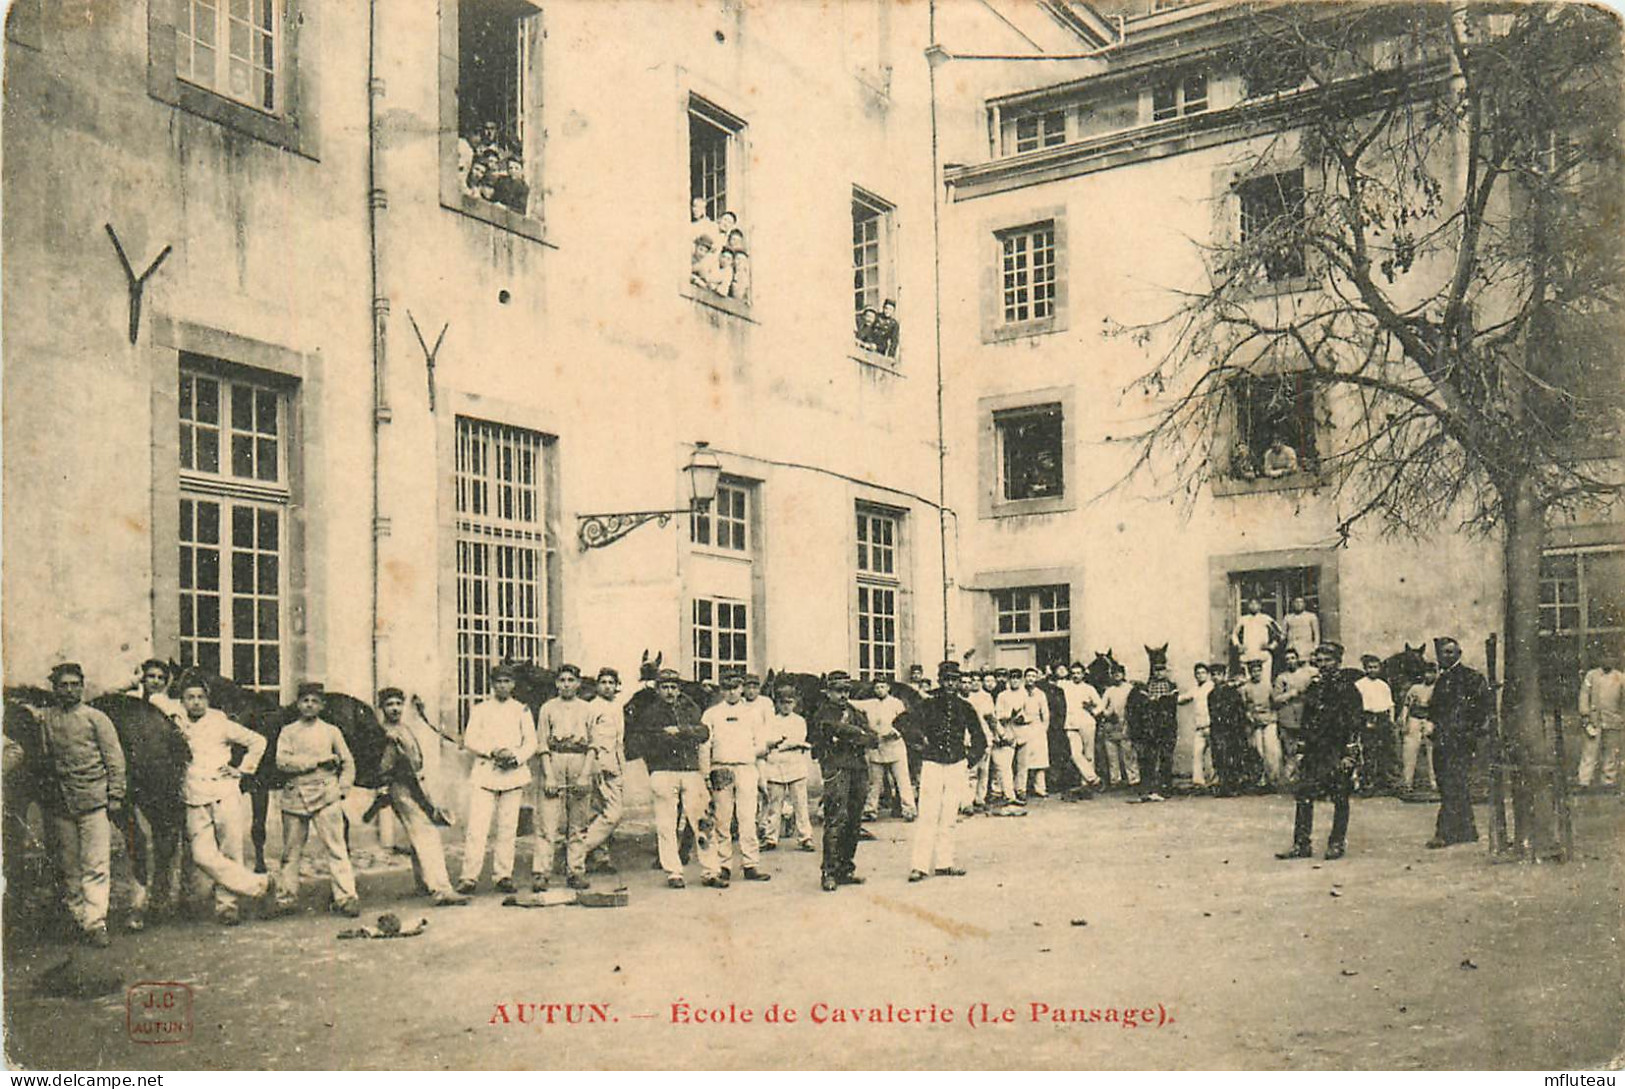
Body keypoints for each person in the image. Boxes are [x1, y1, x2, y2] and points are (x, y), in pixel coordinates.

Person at [172, 671, 273, 925]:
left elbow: (257, 741)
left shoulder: (221, 723)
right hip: (194, 795)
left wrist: (242, 769)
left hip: (225, 792)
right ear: (182, 701)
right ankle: (258, 885)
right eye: (190, 697)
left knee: (230, 850)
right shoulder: (176, 722)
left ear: (208, 700)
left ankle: (227, 907)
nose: (196, 702)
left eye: (201, 697)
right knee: (201, 855)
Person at [37, 663, 126, 947]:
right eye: (64, 685)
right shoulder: (47, 719)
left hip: (93, 800)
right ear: (55, 688)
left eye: (75, 684)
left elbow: (115, 759)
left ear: (82, 686)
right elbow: (45, 756)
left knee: (96, 863)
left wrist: (115, 795)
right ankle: (79, 918)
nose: (70, 690)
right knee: (69, 865)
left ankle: (96, 921)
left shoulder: (96, 719)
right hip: (62, 804)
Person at [374, 687, 468, 907]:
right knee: (426, 832)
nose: (395, 708)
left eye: (398, 704)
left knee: (420, 832)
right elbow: (384, 767)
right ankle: (441, 888)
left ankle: (425, 883)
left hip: (415, 783)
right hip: (402, 786)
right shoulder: (385, 734)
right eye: (390, 704)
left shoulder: (403, 728)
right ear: (381, 708)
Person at [628, 669, 721, 888]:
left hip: (690, 771)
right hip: (663, 771)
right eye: (665, 687)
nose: (670, 692)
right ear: (658, 689)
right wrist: (676, 737)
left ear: (679, 689)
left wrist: (679, 731)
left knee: (703, 822)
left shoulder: (690, 708)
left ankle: (710, 870)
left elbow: (703, 733)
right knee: (666, 823)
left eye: (673, 687)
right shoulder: (650, 713)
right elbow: (647, 741)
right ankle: (673, 871)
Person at [273, 682, 359, 916]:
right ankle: (285, 898)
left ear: (322, 705)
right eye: (305, 700)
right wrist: (317, 762)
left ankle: (346, 897)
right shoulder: (288, 731)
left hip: (326, 794)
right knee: (291, 851)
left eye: (314, 701)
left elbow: (348, 762)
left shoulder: (331, 731)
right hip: (295, 796)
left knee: (336, 848)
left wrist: (342, 787)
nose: (309, 705)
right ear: (298, 704)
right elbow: (282, 762)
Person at [456, 663, 537, 895]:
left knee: (507, 827)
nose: (503, 686)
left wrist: (516, 756)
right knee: (477, 828)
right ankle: (469, 877)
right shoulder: (481, 709)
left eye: (507, 681)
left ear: (513, 684)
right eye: (498, 682)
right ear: (492, 684)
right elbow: (470, 739)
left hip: (512, 774)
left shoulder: (522, 710)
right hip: (486, 772)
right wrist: (493, 751)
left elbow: (531, 742)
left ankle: (503, 875)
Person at [1277, 643, 1363, 861]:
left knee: (1339, 797)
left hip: (1337, 749)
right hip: (1315, 750)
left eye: (1329, 661)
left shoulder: (1348, 688)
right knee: (1304, 794)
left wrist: (1349, 754)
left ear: (1338, 662)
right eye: (1321, 660)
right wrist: (1302, 749)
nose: (1324, 665)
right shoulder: (1314, 688)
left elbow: (1355, 723)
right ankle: (1301, 844)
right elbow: (1307, 720)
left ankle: (1336, 844)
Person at [902, 662, 987, 882]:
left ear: (959, 681)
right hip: (932, 764)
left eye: (954, 679)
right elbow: (902, 723)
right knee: (928, 814)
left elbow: (980, 738)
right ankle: (919, 866)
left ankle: (945, 863)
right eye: (947, 679)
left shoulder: (965, 706)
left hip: (956, 765)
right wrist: (920, 743)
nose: (951, 683)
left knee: (949, 815)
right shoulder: (927, 703)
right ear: (940, 680)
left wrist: (968, 761)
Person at [809, 671, 878, 891]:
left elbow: (873, 738)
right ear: (828, 691)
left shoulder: (855, 712)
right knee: (836, 819)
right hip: (836, 769)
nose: (843, 695)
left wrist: (851, 734)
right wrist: (856, 734)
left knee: (854, 821)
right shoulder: (822, 713)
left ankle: (846, 869)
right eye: (838, 690)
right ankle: (829, 871)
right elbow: (831, 729)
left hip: (858, 769)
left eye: (846, 690)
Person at [703, 673, 772, 883]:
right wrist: (706, 773)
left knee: (747, 817)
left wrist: (747, 756)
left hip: (746, 769)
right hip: (721, 769)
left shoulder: (752, 713)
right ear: (721, 690)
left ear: (741, 688)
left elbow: (761, 744)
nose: (731, 692)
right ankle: (724, 865)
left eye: (735, 687)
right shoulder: (712, 714)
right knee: (722, 819)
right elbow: (705, 745)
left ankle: (751, 864)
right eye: (726, 687)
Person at [535, 664, 597, 891]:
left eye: (571, 680)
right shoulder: (547, 708)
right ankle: (541, 872)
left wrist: (585, 775)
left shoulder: (587, 709)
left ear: (579, 683)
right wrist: (549, 776)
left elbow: (593, 745)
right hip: (555, 760)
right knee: (547, 822)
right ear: (556, 683)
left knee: (578, 824)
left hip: (580, 761)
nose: (566, 684)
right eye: (562, 680)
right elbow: (542, 743)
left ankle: (576, 871)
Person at [1427, 637, 1490, 849]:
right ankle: (1467, 831)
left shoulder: (1471, 678)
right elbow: (1435, 709)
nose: (1446, 656)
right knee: (1451, 784)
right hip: (1443, 739)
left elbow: (1481, 708)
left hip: (1459, 739)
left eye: (1450, 652)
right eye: (1443, 653)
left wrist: (1468, 731)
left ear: (1459, 653)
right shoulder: (1442, 679)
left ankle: (1444, 833)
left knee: (1453, 783)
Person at [760, 685, 814, 852]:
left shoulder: (799, 721)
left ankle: (805, 837)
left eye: (789, 702)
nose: (786, 706)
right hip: (775, 766)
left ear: (795, 703)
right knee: (774, 805)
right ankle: (771, 838)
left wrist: (783, 744)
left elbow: (798, 739)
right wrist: (787, 744)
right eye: (782, 702)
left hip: (795, 766)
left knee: (800, 804)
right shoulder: (771, 720)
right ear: (777, 703)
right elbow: (767, 741)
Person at [854, 678, 914, 821]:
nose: (880, 690)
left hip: (895, 746)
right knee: (874, 782)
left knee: (902, 780)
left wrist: (895, 732)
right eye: (877, 687)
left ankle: (909, 810)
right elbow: (852, 703)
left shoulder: (896, 703)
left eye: (882, 686)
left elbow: (905, 722)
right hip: (877, 747)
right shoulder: (870, 704)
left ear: (888, 688)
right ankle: (870, 810)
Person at [1133, 653, 1179, 801]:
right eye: (1156, 670)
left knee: (1166, 757)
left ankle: (1165, 786)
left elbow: (1172, 705)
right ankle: (1150, 787)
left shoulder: (1172, 686)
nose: (1159, 673)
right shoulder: (1148, 686)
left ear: (1166, 671)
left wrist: (1160, 701)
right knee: (1150, 758)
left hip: (1167, 727)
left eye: (1162, 670)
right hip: (1151, 728)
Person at [1575, 652, 1624, 791]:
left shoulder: (1620, 677)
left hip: (1613, 720)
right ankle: (1584, 781)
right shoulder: (1592, 675)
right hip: (1594, 720)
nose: (1607, 660)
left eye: (1611, 657)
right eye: (1604, 656)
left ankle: (1609, 781)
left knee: (1611, 752)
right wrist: (1585, 714)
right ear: (1599, 658)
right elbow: (1584, 695)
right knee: (1589, 751)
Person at [1273, 647, 1318, 787]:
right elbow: (1276, 699)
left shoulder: (1306, 674)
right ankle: (1290, 779)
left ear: (1297, 659)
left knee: (1305, 748)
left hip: (1304, 715)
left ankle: (1304, 777)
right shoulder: (1282, 678)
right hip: (1288, 717)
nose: (1290, 661)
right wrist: (1290, 694)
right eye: (1287, 659)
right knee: (1290, 749)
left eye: (1293, 658)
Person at [1207, 663, 1254, 796]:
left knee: (1233, 756)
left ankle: (1234, 785)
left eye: (1219, 674)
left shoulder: (1232, 692)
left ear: (1224, 675)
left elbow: (1239, 711)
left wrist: (1237, 728)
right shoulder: (1211, 695)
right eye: (1214, 675)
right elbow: (1212, 713)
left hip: (1232, 730)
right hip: (1218, 730)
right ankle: (1223, 785)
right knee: (1219, 757)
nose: (1216, 677)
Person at [1354, 655, 1398, 795]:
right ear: (1365, 669)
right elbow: (1356, 705)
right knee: (1368, 751)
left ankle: (1385, 782)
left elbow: (1390, 705)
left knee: (1385, 750)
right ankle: (1368, 782)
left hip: (1383, 719)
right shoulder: (1359, 684)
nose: (1373, 670)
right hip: (1367, 718)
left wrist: (1390, 721)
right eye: (1370, 667)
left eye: (1375, 667)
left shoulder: (1383, 685)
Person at [1060, 662, 1103, 795]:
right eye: (1073, 673)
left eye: (1078, 673)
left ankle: (1085, 784)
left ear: (1083, 674)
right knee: (1075, 754)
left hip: (1087, 723)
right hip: (1071, 724)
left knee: (1089, 754)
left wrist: (1092, 711)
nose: (1076, 676)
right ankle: (1094, 779)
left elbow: (1100, 705)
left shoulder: (1089, 688)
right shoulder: (1065, 685)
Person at [1398, 661, 1439, 794]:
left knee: (1432, 751)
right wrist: (1403, 720)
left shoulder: (1438, 688)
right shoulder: (1415, 688)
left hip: (1430, 719)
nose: (1429, 675)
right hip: (1414, 719)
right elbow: (1406, 705)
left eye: (1432, 672)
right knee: (1410, 749)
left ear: (1436, 674)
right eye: (1426, 672)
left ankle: (1435, 783)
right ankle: (1407, 782)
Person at [1242, 658, 1282, 788]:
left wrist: (1272, 715)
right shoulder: (1246, 688)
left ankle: (1273, 780)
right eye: (1253, 671)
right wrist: (1249, 716)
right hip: (1255, 723)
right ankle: (1261, 780)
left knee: (1271, 751)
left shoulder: (1268, 685)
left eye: (1258, 671)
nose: (1256, 674)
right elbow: (1244, 706)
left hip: (1269, 721)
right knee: (1258, 751)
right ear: (1250, 672)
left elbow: (1275, 702)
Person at [1098, 665, 1139, 790]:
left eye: (1119, 673)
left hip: (1126, 723)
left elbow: (1135, 706)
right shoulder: (1109, 690)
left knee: (1128, 753)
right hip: (1111, 725)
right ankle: (1115, 780)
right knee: (1112, 755)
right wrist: (1107, 714)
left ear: (1123, 674)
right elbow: (1101, 707)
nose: (1116, 675)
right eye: (1114, 673)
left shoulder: (1130, 689)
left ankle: (1134, 779)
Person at [963, 670, 999, 811]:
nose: (975, 683)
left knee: (984, 770)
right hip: (969, 737)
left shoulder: (986, 697)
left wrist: (997, 734)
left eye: (978, 680)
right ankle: (968, 801)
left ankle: (980, 798)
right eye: (972, 681)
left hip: (985, 735)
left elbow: (991, 717)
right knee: (971, 770)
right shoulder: (964, 698)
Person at [1015, 667, 1051, 799]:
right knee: (1023, 760)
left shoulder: (1040, 694)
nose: (1030, 679)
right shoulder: (1019, 692)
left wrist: (1043, 729)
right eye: (1028, 676)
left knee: (1040, 759)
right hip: (1022, 727)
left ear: (1036, 679)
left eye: (1033, 676)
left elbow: (1045, 714)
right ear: (1024, 678)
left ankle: (1040, 788)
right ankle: (1021, 789)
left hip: (1037, 728)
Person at [1180, 663, 1215, 790]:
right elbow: (1182, 699)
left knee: (1213, 755)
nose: (1200, 675)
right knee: (1197, 754)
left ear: (1207, 674)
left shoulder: (1212, 686)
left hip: (1211, 725)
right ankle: (1198, 782)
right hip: (1199, 727)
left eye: (1203, 673)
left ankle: (1213, 781)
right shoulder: (1194, 689)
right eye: (1198, 673)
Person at [1232, 599, 1281, 686]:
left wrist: (1271, 646)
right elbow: (1234, 635)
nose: (1253, 606)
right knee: (1248, 682)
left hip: (1262, 655)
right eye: (1251, 604)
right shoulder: (1243, 619)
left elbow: (1279, 633)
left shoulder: (1266, 618)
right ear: (1248, 606)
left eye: (1256, 604)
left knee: (1265, 682)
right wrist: (1238, 645)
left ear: (1260, 606)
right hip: (1248, 654)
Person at [1282, 597, 1321, 664]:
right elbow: (1283, 633)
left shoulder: (1311, 616)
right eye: (1296, 602)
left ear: (1304, 604)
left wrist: (1315, 648)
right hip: (1292, 647)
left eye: (1300, 602)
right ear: (1293, 604)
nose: (1298, 604)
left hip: (1306, 647)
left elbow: (1316, 634)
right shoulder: (1288, 617)